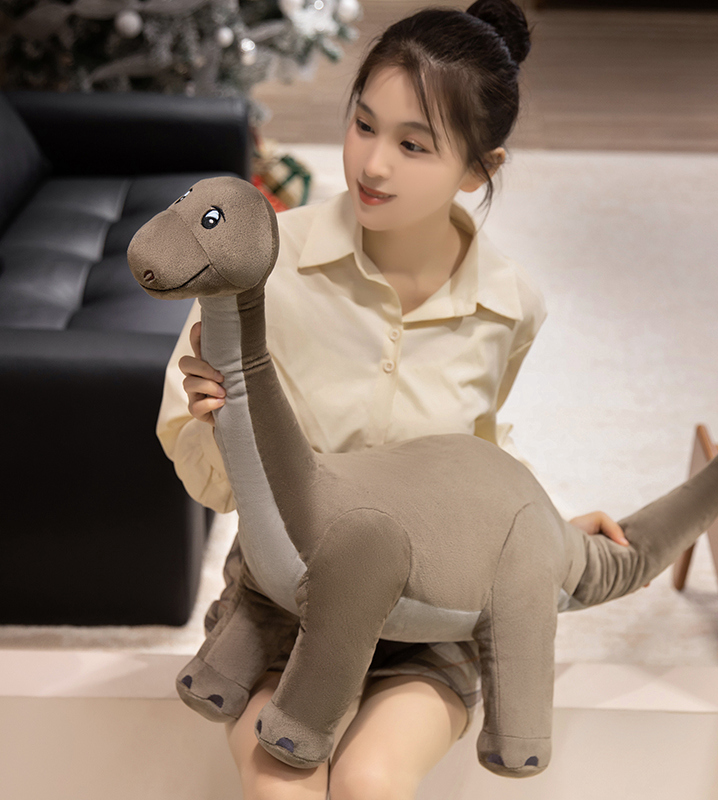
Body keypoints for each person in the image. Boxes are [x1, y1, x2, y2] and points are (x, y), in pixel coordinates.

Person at [157, 1, 626, 797]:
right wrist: (215, 425)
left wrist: (549, 530)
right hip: (285, 597)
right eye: (363, 124)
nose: (373, 164)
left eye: (413, 145)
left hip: (434, 612)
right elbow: (211, 479)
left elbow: (476, 451)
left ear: (478, 169)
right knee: (282, 783)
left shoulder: (510, 304)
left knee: (370, 781)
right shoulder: (260, 263)